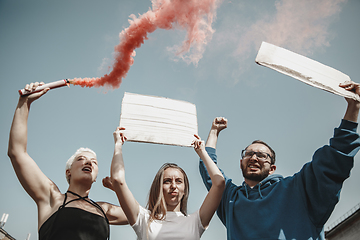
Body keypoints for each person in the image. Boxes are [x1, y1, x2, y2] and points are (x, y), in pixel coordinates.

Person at [199, 81, 360, 240]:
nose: (254, 158)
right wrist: (214, 132)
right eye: (248, 153)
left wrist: (353, 107)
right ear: (241, 162)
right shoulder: (231, 199)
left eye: (262, 155)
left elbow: (333, 160)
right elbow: (209, 170)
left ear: (272, 168)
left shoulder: (298, 189)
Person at [7, 82, 128, 240]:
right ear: (68, 171)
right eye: (81, 159)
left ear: (97, 176)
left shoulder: (104, 210)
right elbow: (17, 152)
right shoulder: (52, 197)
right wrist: (24, 103)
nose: (89, 163)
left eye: (94, 162)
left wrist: (119, 188)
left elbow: (147, 216)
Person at [102, 127, 225, 240]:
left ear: (185, 189)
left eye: (178, 181)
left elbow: (219, 183)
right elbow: (118, 180)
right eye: (167, 181)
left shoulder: (196, 222)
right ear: (158, 188)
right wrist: (118, 144)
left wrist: (202, 152)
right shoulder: (144, 219)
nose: (173, 186)